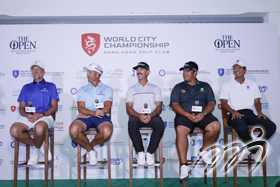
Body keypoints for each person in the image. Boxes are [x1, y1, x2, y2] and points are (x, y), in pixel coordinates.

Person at [170, 61, 221, 180]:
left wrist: (203, 113)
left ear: (195, 72)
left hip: (202, 114)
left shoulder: (205, 85)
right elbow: (175, 104)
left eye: (188, 71)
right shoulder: (178, 87)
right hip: (184, 115)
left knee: (215, 126)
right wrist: (188, 115)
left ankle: (203, 151)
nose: (184, 73)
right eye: (183, 71)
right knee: (180, 130)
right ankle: (184, 165)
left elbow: (211, 103)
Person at [220, 59, 276, 162]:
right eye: (235, 68)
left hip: (250, 113)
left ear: (245, 70)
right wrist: (232, 111)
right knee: (241, 127)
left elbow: (257, 102)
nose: (236, 70)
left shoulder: (253, 84)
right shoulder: (226, 85)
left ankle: (249, 149)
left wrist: (259, 112)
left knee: (271, 126)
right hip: (234, 114)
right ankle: (254, 150)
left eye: (239, 67)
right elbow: (223, 103)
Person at [10, 60, 59, 165]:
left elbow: (54, 107)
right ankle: (39, 146)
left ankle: (35, 152)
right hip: (29, 117)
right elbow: (21, 108)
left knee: (39, 127)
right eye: (33, 69)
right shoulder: (26, 87)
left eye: (38, 69)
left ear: (43, 72)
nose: (35, 71)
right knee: (14, 130)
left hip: (45, 117)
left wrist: (41, 115)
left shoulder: (51, 86)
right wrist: (27, 115)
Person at [69, 63, 113, 165]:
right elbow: (81, 108)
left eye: (90, 72)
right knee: (73, 129)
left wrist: (91, 114)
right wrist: (92, 113)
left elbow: (107, 107)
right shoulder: (82, 89)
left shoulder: (107, 89)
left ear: (97, 74)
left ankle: (89, 147)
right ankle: (91, 151)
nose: (87, 74)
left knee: (106, 132)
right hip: (87, 117)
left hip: (100, 116)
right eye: (87, 72)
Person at [126, 62, 164, 166]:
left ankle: (150, 152)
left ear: (148, 72)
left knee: (159, 123)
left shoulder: (155, 88)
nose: (138, 71)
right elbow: (129, 108)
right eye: (137, 69)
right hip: (137, 116)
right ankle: (141, 153)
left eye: (141, 69)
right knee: (132, 122)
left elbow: (159, 106)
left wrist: (152, 114)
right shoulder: (131, 89)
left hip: (151, 116)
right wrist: (138, 115)